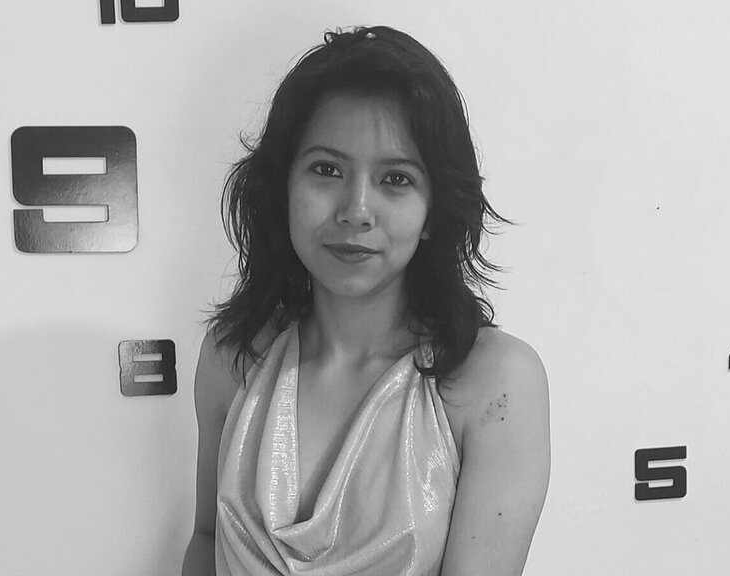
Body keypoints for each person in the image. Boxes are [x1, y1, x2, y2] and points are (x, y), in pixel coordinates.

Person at [182, 25, 550, 576]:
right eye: (326, 170)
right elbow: (206, 540)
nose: (356, 210)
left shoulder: (496, 381)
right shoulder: (231, 356)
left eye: (395, 179)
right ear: (282, 187)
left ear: (434, 211)